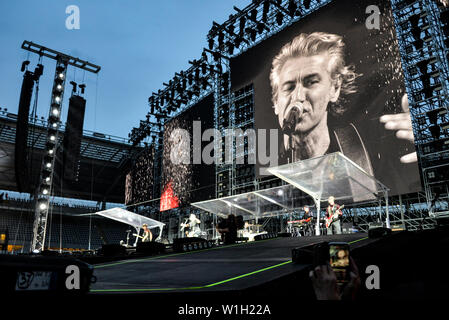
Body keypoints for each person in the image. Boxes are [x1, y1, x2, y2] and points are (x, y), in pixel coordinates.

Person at [269, 32, 416, 174]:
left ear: (334, 88)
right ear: (276, 102)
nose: (298, 96)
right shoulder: (267, 163)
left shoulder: (377, 144)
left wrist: (427, 138)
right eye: (289, 87)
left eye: (311, 82)